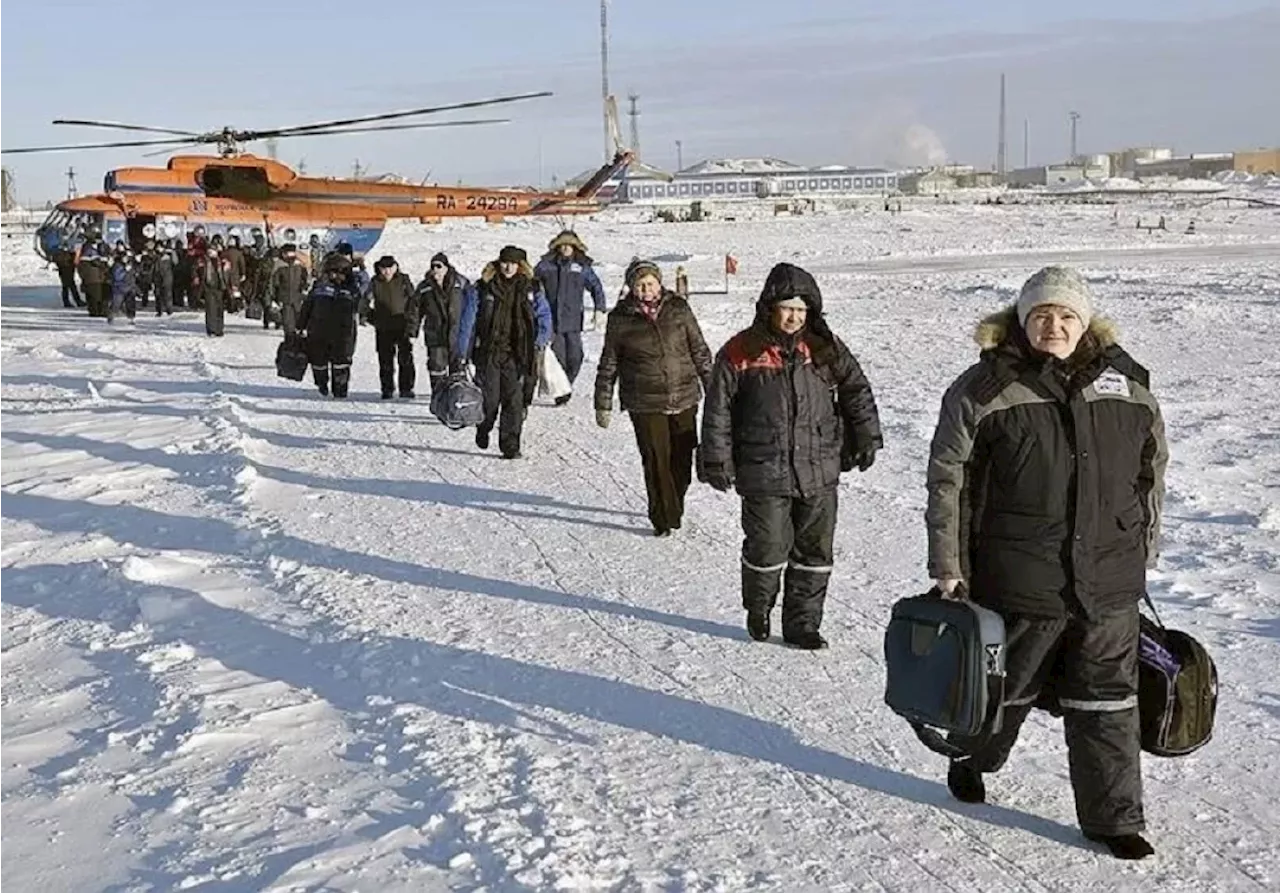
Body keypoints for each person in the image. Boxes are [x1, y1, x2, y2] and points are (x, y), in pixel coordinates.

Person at [925, 266, 1167, 860]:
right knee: (1006, 691)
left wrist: (1145, 548)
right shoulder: (984, 390)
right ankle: (972, 759)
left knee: (1107, 699)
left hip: (1109, 579)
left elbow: (1151, 472)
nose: (1053, 326)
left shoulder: (1128, 386)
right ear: (1021, 321)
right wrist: (948, 563)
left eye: (1065, 316)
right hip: (1019, 576)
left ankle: (1114, 819)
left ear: (1084, 323)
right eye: (1040, 316)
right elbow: (947, 481)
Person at [700, 263, 882, 649]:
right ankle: (759, 606)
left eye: (801, 309)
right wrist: (717, 459)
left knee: (814, 551)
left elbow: (856, 389)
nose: (794, 316)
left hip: (818, 468)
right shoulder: (740, 351)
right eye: (787, 308)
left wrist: (866, 435)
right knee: (768, 546)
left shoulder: (824, 347)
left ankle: (803, 625)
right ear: (770, 308)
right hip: (763, 469)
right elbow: (717, 410)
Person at [594, 259, 712, 537]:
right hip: (644, 401)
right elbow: (609, 362)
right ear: (632, 288)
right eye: (640, 284)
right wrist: (603, 401)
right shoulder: (620, 318)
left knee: (682, 460)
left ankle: (674, 503)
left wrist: (715, 388)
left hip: (684, 395)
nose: (646, 289)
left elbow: (700, 350)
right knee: (656, 459)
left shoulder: (679, 309)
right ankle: (661, 516)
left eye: (650, 283)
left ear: (660, 283)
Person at [454, 245, 552, 459]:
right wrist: (461, 352)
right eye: (505, 262)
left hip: (517, 353)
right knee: (490, 400)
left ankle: (510, 446)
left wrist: (541, 340)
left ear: (520, 266)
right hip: (488, 352)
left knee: (513, 401)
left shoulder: (531, 288)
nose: (508, 267)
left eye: (513, 263)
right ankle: (484, 426)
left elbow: (544, 315)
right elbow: (468, 321)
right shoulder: (483, 288)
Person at [533, 230, 608, 405]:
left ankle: (566, 385)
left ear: (575, 247)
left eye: (569, 245)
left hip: (573, 320)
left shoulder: (582, 267)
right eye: (563, 245)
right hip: (552, 321)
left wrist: (600, 309)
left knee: (576, 357)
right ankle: (561, 391)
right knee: (559, 358)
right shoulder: (546, 266)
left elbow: (596, 287)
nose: (566, 248)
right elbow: (533, 285)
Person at [299, 254, 361, 398]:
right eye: (333, 272)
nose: (337, 276)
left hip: (343, 332)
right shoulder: (319, 287)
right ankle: (322, 385)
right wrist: (300, 325)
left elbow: (362, 300)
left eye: (341, 272)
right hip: (318, 330)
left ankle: (340, 389)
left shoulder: (352, 289)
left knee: (342, 362)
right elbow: (307, 307)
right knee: (318, 361)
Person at [417, 252, 473, 399]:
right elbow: (415, 309)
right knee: (436, 369)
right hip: (435, 335)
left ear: (446, 267)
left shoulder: (461, 283)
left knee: (458, 370)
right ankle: (439, 399)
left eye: (439, 266)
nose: (435, 269)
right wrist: (412, 328)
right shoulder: (425, 286)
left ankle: (457, 400)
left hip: (457, 334)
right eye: (433, 266)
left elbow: (471, 306)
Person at [363, 255, 419, 399]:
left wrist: (412, 321)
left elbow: (413, 301)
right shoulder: (375, 282)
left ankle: (406, 388)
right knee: (385, 360)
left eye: (390, 268)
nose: (387, 272)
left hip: (402, 325)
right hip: (383, 327)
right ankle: (387, 389)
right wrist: (371, 317)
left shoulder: (404, 280)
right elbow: (364, 302)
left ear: (395, 267)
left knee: (405, 359)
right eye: (384, 269)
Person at [268, 243, 309, 335]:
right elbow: (274, 283)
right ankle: (291, 337)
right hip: (286, 297)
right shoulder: (280, 265)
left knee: (298, 318)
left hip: (296, 297)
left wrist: (305, 288)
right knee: (288, 320)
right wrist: (274, 296)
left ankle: (297, 333)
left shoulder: (299, 265)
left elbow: (305, 279)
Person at [75, 229, 111, 317]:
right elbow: (98, 262)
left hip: (95, 278)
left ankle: (97, 311)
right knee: (97, 296)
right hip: (96, 278)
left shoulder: (87, 249)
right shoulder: (92, 251)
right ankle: (98, 312)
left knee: (96, 296)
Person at [108, 246, 140, 324]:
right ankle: (111, 316)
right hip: (119, 288)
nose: (126, 259)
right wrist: (125, 270)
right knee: (116, 304)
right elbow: (117, 277)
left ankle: (131, 318)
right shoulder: (117, 266)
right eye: (124, 257)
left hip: (129, 288)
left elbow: (134, 275)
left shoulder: (131, 265)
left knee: (131, 305)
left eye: (127, 257)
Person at [202, 245, 230, 336]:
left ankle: (219, 329)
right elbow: (197, 271)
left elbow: (227, 272)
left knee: (219, 309)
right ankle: (211, 329)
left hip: (220, 287)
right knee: (210, 309)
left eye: (212, 251)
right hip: (209, 287)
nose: (211, 253)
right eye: (209, 251)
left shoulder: (221, 261)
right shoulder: (204, 261)